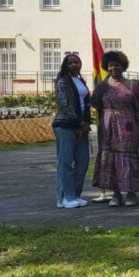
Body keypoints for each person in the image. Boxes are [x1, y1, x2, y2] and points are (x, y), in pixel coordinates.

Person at [91, 51, 139, 207]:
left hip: (128, 126)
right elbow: (94, 103)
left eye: (117, 65)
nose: (114, 68)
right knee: (111, 159)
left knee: (128, 158)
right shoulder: (102, 86)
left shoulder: (133, 85)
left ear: (123, 66)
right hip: (108, 127)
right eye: (111, 65)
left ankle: (131, 193)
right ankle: (116, 193)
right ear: (107, 67)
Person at [52, 53, 91, 208]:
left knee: (83, 161)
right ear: (65, 66)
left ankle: (75, 194)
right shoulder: (62, 81)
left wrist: (86, 123)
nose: (74, 65)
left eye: (77, 62)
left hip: (81, 126)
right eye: (70, 63)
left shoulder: (81, 80)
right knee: (65, 162)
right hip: (65, 125)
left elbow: (86, 104)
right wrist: (80, 122)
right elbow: (64, 105)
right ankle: (65, 197)